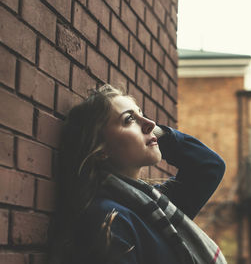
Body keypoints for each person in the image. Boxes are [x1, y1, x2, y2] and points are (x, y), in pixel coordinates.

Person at [50, 84, 227, 264]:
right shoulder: (109, 220)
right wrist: (149, 133)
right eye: (129, 120)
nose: (151, 123)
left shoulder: (153, 208)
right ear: (100, 149)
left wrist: (152, 132)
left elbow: (209, 166)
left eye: (142, 114)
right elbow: (209, 166)